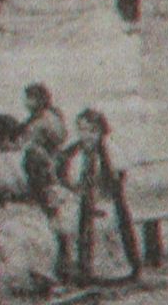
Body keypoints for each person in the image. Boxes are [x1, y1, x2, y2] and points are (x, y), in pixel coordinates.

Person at [60, 109, 139, 284]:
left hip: (106, 199)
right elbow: (71, 176)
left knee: (110, 232)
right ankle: (90, 270)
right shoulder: (78, 152)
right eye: (81, 130)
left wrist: (107, 188)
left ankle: (117, 270)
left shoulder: (109, 149)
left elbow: (119, 175)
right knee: (86, 233)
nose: (86, 135)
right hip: (86, 200)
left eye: (91, 130)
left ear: (100, 130)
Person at [0, 114, 63, 295]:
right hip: (5, 209)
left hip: (31, 208)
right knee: (9, 239)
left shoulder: (31, 155)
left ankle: (41, 277)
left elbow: (46, 188)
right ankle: (18, 280)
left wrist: (52, 211)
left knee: (37, 237)